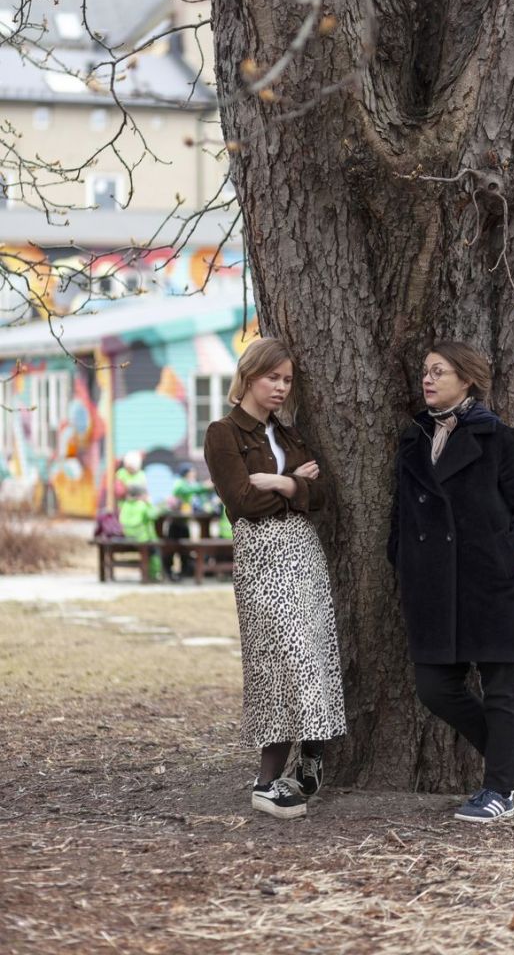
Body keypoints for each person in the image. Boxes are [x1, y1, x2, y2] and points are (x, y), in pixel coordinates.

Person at [388, 341, 514, 824]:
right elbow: (400, 516)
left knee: (501, 684)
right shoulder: (414, 438)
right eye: (425, 371)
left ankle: (501, 790)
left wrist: (510, 556)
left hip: (490, 579)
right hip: (432, 582)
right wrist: (403, 559)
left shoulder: (499, 439)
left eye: (439, 371)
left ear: (468, 379)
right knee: (434, 687)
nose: (428, 379)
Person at [203, 338, 346, 820]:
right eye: (273, 378)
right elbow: (241, 501)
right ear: (248, 376)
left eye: (287, 380)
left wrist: (284, 483)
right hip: (262, 554)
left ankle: (312, 754)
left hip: (303, 551)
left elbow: (324, 494)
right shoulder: (224, 433)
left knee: (312, 652)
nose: (281, 387)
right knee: (277, 660)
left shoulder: (288, 435)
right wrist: (294, 489)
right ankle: (266, 781)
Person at [163, 462, 212, 581]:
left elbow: (199, 494)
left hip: (183, 521)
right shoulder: (180, 484)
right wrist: (205, 486)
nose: (194, 474)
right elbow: (192, 490)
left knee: (185, 547)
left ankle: (185, 571)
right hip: (175, 522)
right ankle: (169, 572)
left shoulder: (189, 483)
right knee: (172, 547)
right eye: (192, 472)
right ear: (186, 473)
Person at [118, 483, 162, 581]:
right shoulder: (142, 505)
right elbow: (153, 515)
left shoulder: (125, 504)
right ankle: (154, 574)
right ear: (141, 495)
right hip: (142, 538)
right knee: (155, 551)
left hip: (128, 536)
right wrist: (150, 503)